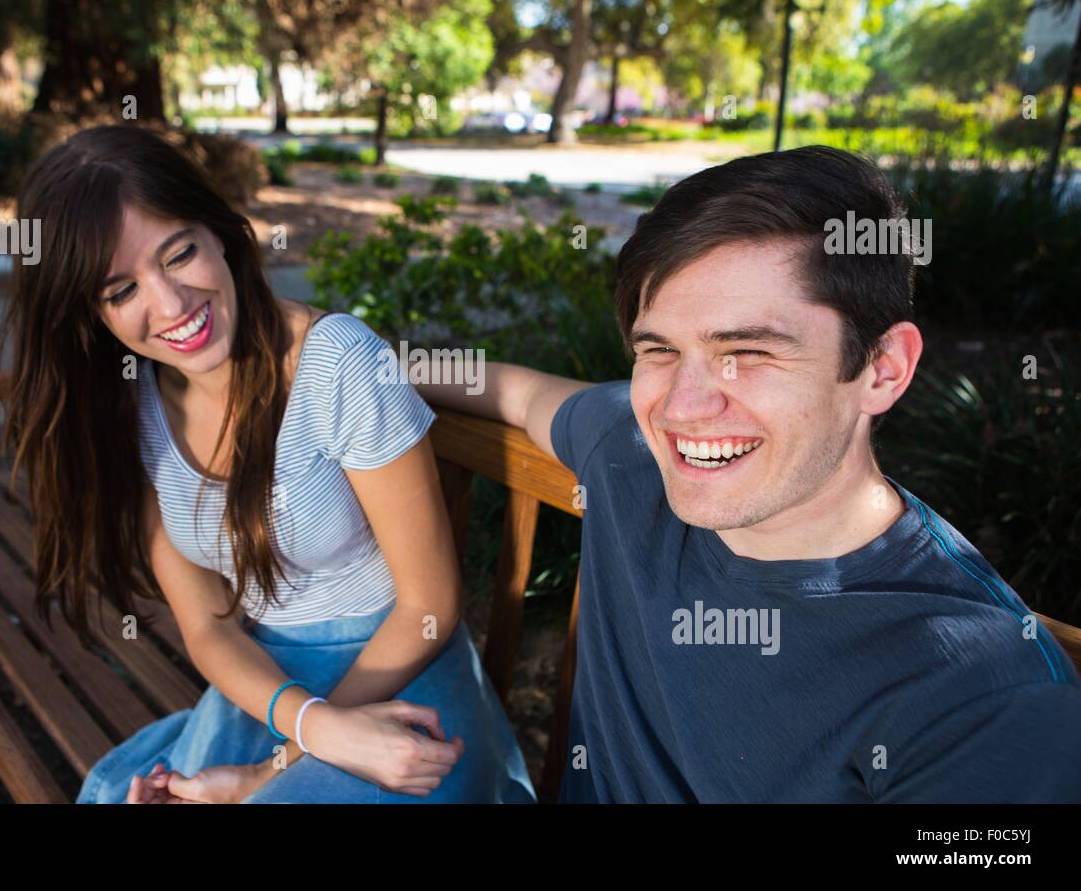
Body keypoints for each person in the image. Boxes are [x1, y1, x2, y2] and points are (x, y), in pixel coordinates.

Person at [416, 145, 1081, 802]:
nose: (681, 408)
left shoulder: (984, 701)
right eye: (660, 351)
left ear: (884, 367)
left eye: (748, 352)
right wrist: (345, 358)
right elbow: (521, 394)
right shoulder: (629, 451)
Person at [0, 124, 533, 804]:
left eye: (179, 253)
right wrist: (304, 730)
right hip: (265, 690)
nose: (170, 305)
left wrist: (278, 767)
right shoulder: (129, 404)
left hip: (400, 676)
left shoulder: (337, 364)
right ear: (90, 314)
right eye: (120, 290)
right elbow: (209, 623)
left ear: (222, 233)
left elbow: (430, 606)